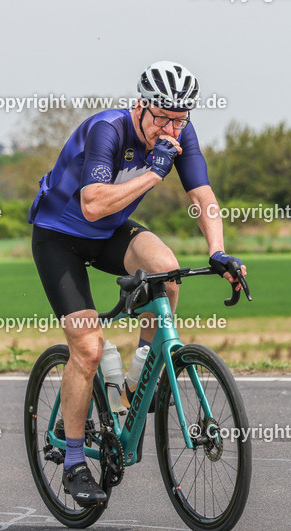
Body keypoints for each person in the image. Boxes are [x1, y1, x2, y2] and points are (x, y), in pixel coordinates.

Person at [28, 61, 247, 506]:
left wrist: (217, 251)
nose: (170, 128)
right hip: (60, 239)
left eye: (179, 119)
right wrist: (154, 171)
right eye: (162, 117)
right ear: (141, 106)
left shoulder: (180, 134)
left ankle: (134, 384)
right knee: (87, 350)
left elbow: (203, 196)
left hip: (109, 235)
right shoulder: (108, 129)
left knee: (165, 271)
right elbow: (91, 204)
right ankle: (72, 461)